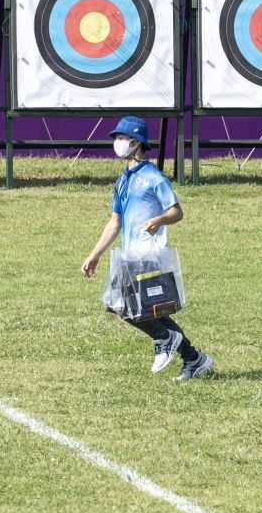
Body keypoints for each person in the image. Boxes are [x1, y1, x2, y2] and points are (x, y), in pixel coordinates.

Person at [80, 115, 214, 381]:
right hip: (128, 254)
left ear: (136, 142)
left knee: (131, 308)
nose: (117, 142)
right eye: (116, 138)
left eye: (121, 137)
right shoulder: (123, 180)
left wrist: (159, 220)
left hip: (148, 254)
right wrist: (94, 254)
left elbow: (176, 212)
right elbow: (115, 221)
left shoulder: (153, 177)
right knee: (121, 306)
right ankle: (193, 358)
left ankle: (166, 339)